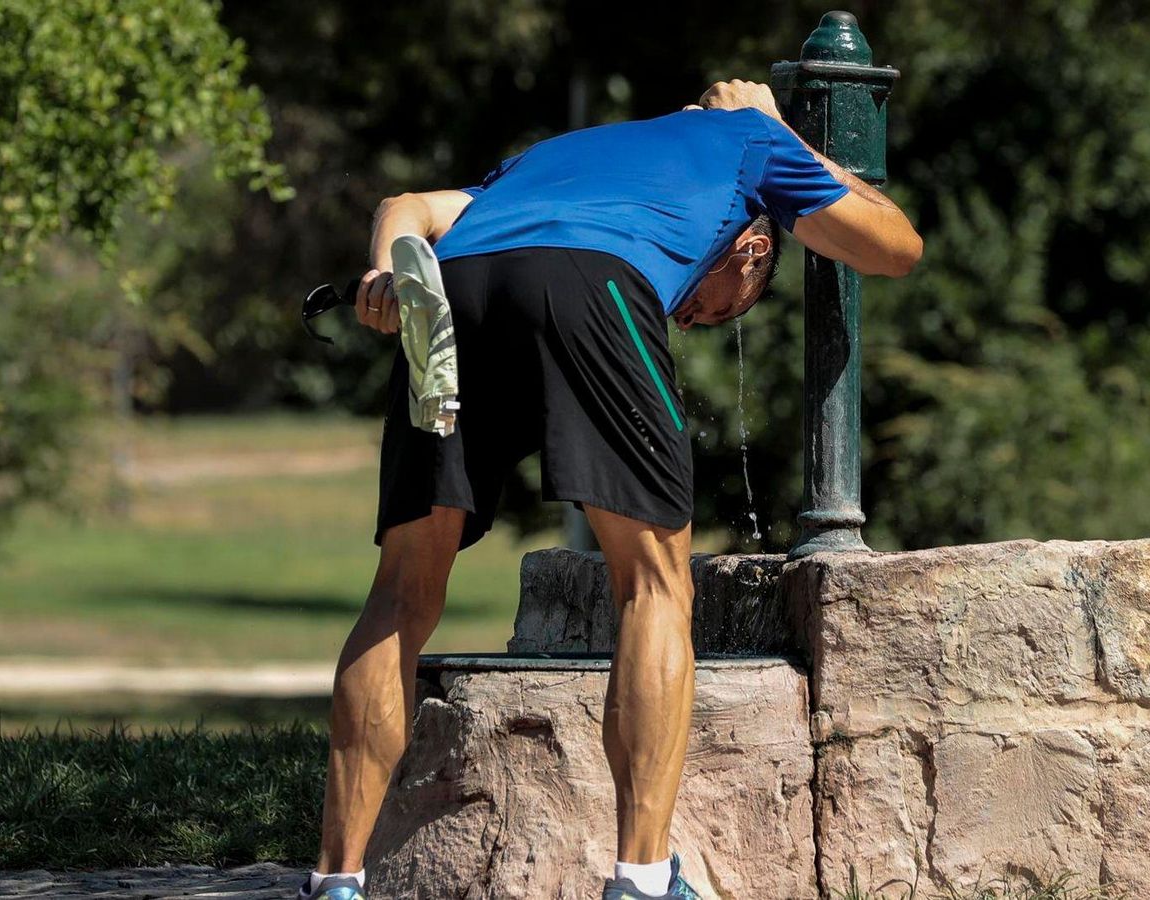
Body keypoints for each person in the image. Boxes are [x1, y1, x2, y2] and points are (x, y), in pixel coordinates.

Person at [301, 80, 922, 900]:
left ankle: (335, 882)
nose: (690, 320)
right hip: (594, 281)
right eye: (708, 313)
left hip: (456, 288)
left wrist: (385, 268)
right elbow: (896, 246)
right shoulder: (749, 142)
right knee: (654, 587)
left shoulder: (548, 156)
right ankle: (640, 878)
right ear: (753, 254)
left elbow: (408, 204)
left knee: (402, 593)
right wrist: (779, 129)